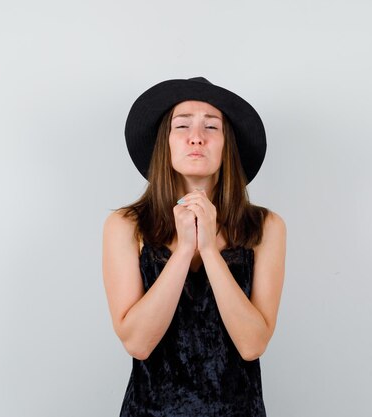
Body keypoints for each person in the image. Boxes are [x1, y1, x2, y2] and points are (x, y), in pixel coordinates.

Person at [102, 77, 286, 416]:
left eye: (211, 126)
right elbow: (138, 344)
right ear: (165, 142)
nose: (196, 136)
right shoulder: (126, 226)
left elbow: (252, 345)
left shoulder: (266, 227)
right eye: (182, 124)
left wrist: (211, 250)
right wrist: (185, 250)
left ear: (227, 144)